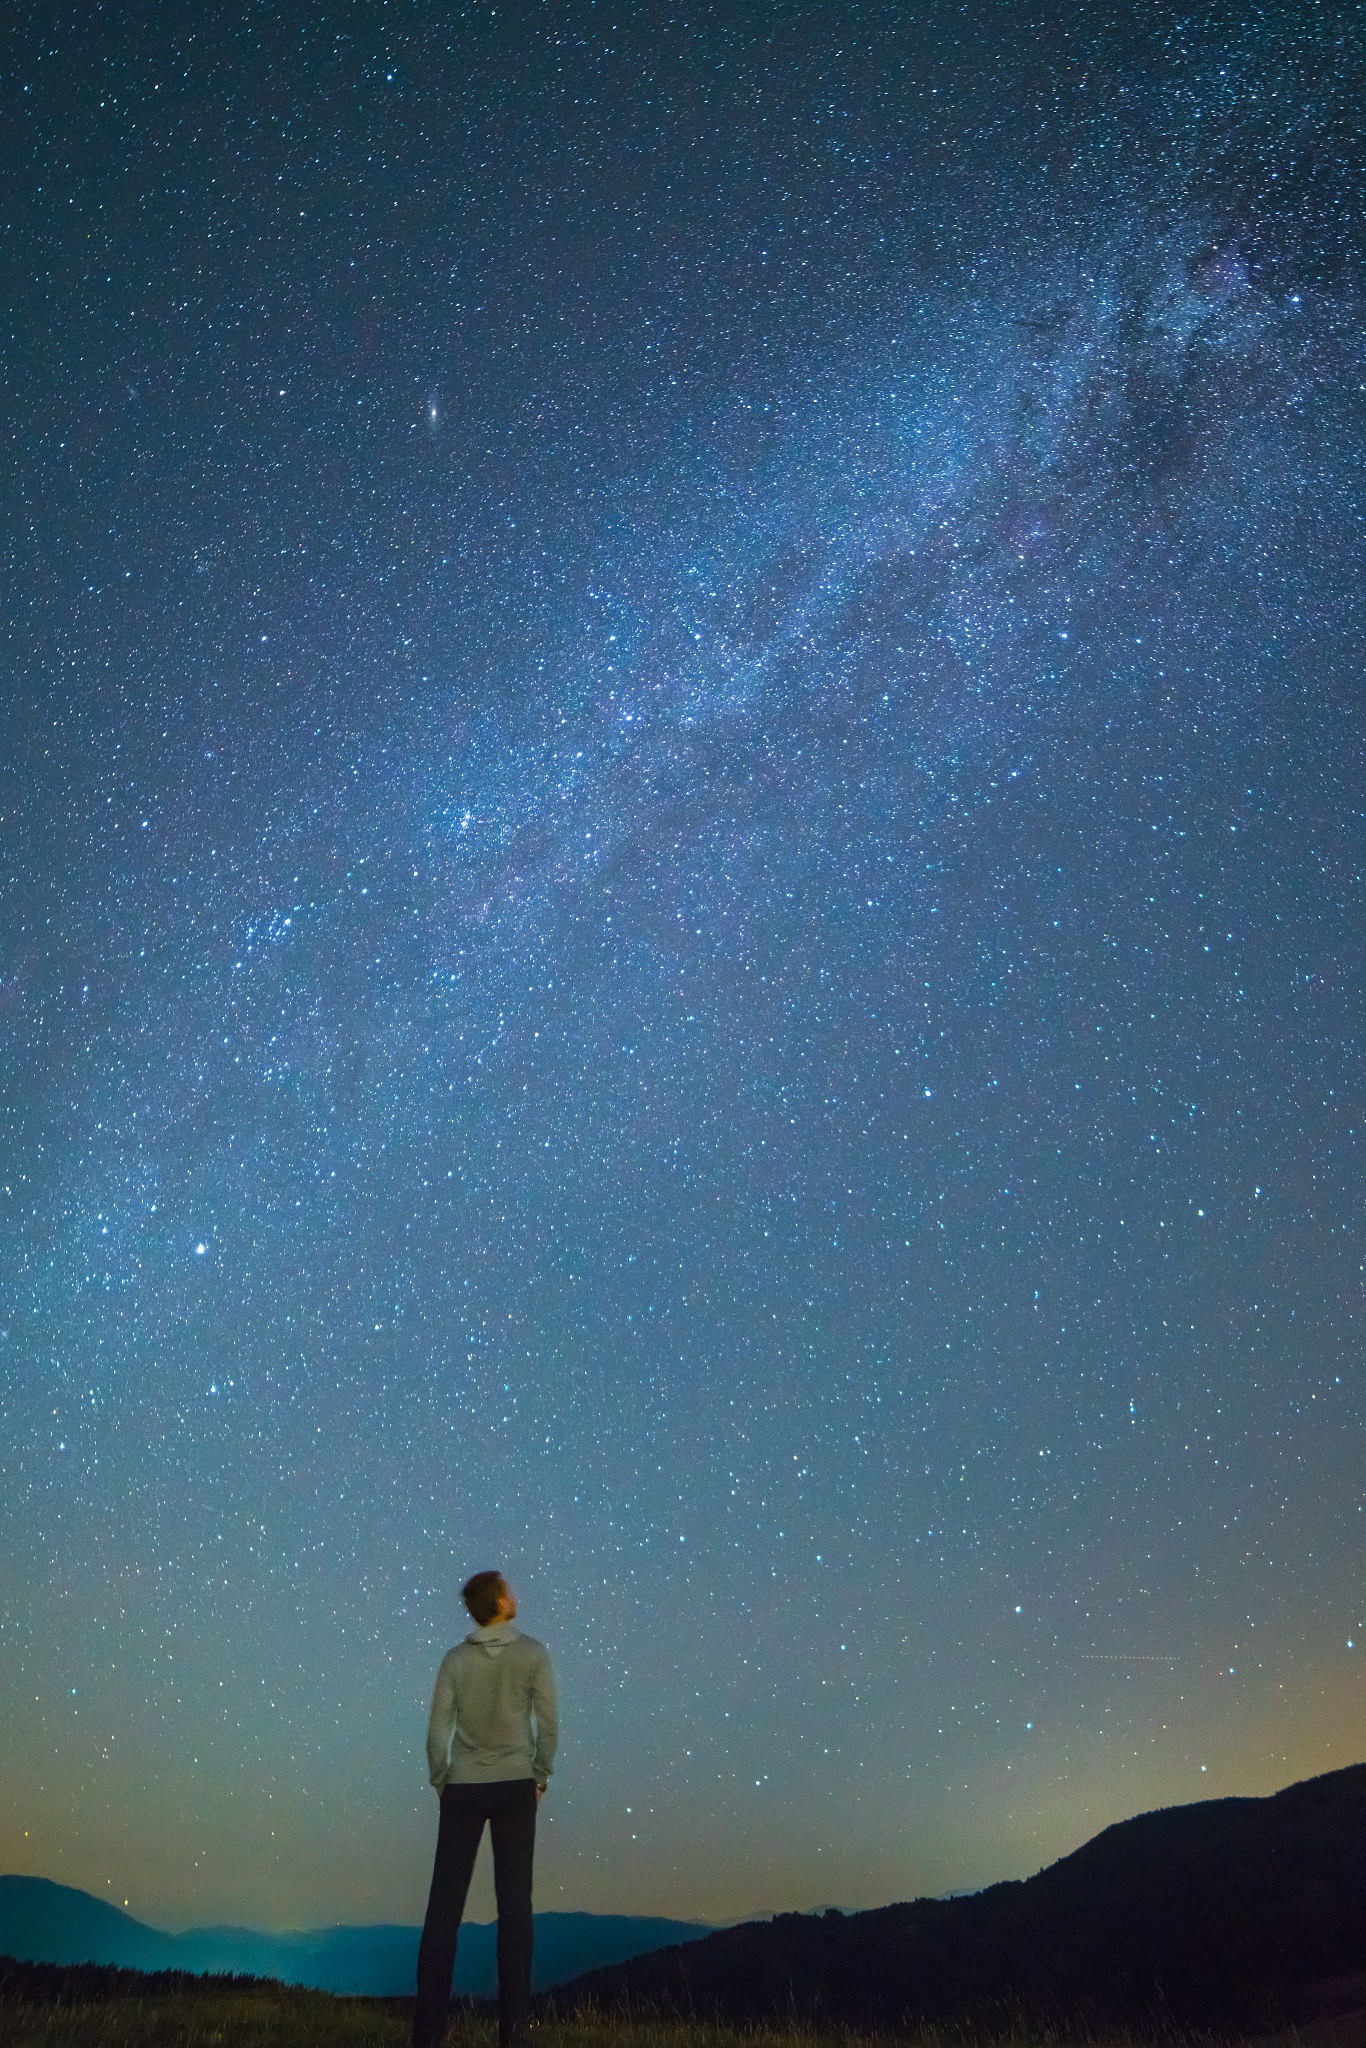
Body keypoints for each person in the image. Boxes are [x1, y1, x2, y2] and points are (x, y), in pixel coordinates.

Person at [412, 1571, 558, 2048]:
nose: (516, 1596)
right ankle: (513, 2035)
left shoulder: (454, 1661)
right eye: (510, 1591)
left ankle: (427, 2035)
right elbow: (548, 1724)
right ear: (499, 1602)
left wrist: (443, 1781)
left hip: (463, 1788)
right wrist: (540, 1774)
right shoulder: (533, 1653)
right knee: (516, 1909)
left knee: (442, 1911)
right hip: (516, 1785)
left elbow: (438, 1733)